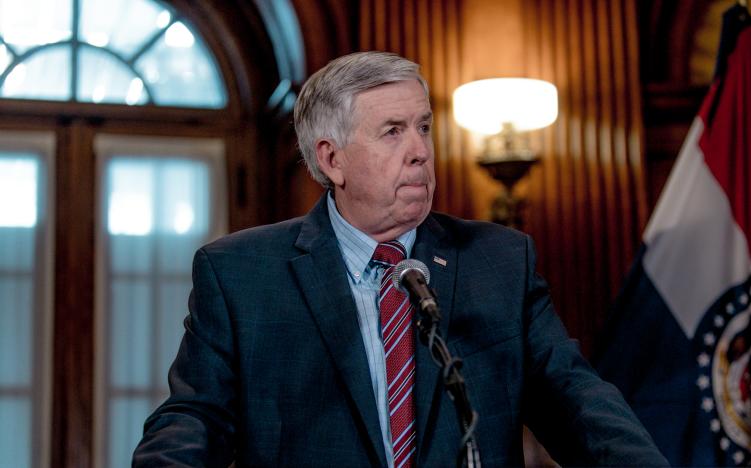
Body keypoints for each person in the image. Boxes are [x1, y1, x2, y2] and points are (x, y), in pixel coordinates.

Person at [133, 51, 668, 467]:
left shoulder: (499, 262)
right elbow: (195, 420)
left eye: (424, 127)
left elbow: (575, 400)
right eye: (393, 131)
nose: (420, 150)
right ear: (331, 158)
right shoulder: (242, 275)